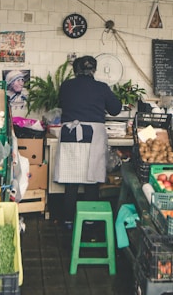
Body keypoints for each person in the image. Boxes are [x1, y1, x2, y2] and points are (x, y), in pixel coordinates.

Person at [54, 56, 122, 229]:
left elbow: (61, 103)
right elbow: (115, 109)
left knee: (72, 181)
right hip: (93, 137)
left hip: (70, 135)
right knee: (92, 181)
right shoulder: (102, 87)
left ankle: (68, 220)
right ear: (94, 70)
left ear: (75, 71)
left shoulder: (66, 86)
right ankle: (89, 220)